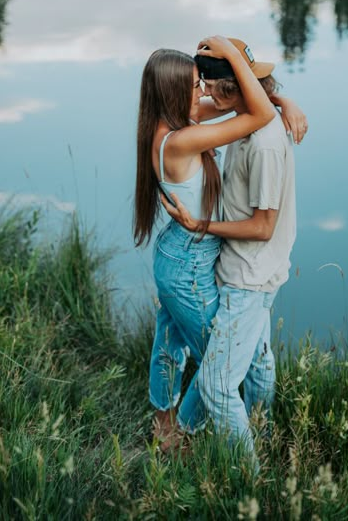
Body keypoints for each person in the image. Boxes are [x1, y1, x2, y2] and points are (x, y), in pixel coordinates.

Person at [134, 36, 306, 451]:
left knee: (170, 342)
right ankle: (186, 435)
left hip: (179, 253)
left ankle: (165, 427)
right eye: (197, 85)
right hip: (190, 263)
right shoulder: (181, 140)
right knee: (222, 361)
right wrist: (231, 55)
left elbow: (249, 105)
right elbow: (256, 112)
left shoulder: (176, 123)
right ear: (174, 93)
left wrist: (285, 102)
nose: (205, 91)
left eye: (204, 82)